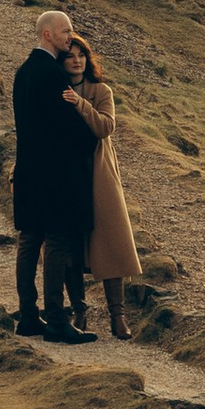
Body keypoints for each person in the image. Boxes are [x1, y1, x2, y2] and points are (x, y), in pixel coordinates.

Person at [11, 8, 95, 342]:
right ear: (48, 34)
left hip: (29, 169)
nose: (70, 36)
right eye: (66, 32)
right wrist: (91, 138)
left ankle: (29, 316)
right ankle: (58, 320)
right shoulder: (50, 73)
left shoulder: (23, 72)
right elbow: (67, 124)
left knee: (30, 240)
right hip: (55, 174)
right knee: (57, 241)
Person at [64, 35, 143, 337]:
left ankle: (117, 316)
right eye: (70, 56)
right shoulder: (57, 91)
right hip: (69, 174)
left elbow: (105, 127)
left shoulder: (101, 90)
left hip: (98, 174)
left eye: (81, 54)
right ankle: (79, 312)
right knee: (71, 245)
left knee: (111, 242)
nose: (77, 60)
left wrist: (81, 104)